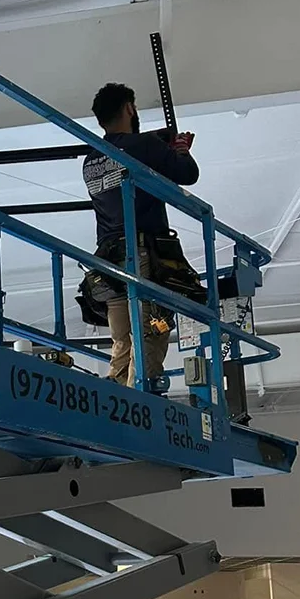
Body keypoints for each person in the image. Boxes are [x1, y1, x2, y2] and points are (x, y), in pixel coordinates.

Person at [79, 82, 205, 391]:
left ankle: (116, 393)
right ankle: (139, 397)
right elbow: (187, 174)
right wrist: (178, 149)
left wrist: (158, 145)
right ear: (129, 109)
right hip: (142, 255)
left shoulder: (91, 159)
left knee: (122, 337)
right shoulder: (144, 147)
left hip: (108, 260)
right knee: (150, 328)